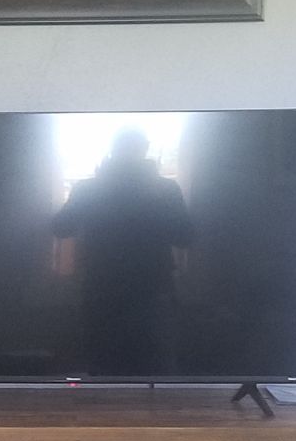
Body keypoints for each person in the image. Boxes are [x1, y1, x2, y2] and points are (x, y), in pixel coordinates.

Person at [51, 130, 193, 375]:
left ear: (113, 150)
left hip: (103, 286)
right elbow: (185, 237)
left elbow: (61, 227)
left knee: (103, 362)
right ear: (144, 150)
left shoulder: (90, 189)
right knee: (155, 363)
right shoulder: (164, 189)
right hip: (151, 286)